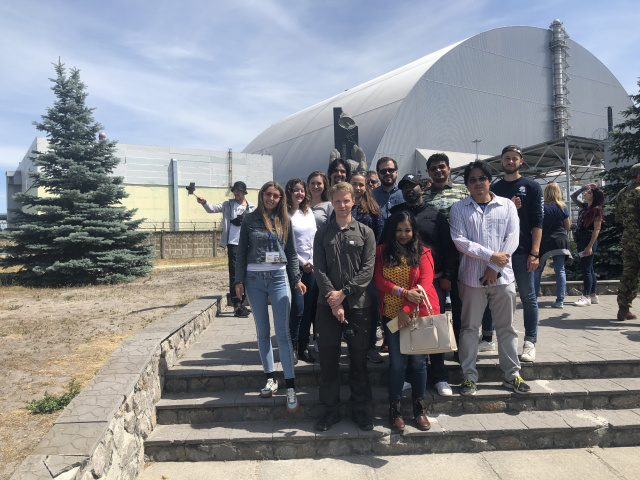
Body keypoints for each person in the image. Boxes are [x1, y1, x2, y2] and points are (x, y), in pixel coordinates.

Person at [450, 161, 531, 396]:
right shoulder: (459, 209)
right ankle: (468, 376)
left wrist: (494, 266)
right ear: (467, 184)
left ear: (490, 180)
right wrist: (491, 257)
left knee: (506, 328)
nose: (478, 183)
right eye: (472, 180)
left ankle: (512, 375)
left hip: (503, 279)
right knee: (469, 328)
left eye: (482, 178)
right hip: (471, 279)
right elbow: (460, 241)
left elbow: (512, 239)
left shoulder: (507, 206)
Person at [234, 181, 306, 413]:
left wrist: (296, 279)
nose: (271, 198)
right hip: (254, 280)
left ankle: (291, 386)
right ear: (261, 195)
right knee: (262, 331)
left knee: (283, 333)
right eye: (268, 194)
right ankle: (270, 378)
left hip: (278, 278)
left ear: (280, 198)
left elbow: (291, 253)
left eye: (276, 196)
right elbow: (241, 252)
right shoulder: (249, 219)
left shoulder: (285, 220)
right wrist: (238, 280)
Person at [314, 182, 376, 432]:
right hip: (327, 306)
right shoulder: (322, 233)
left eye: (346, 200)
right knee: (328, 361)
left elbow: (367, 269)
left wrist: (344, 294)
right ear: (332, 202)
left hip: (358, 306)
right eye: (337, 201)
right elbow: (319, 269)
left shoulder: (365, 232)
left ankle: (360, 410)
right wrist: (333, 300)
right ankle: (331, 411)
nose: (342, 205)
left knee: (358, 361)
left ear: (353, 201)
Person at [386, 173, 456, 397]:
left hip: (431, 282)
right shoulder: (395, 215)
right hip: (402, 285)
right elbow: (384, 247)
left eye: (413, 186)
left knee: (432, 328)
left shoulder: (435, 215)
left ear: (422, 188)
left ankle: (439, 376)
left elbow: (448, 247)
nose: (409, 190)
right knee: (407, 332)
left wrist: (448, 275)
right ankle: (409, 377)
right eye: (405, 187)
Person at [374, 210, 438, 432]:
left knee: (418, 363)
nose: (403, 234)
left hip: (417, 316)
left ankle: (419, 408)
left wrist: (406, 309)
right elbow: (378, 279)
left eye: (407, 230)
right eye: (399, 230)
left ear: (414, 231)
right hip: (391, 315)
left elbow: (424, 284)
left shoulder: (423, 252)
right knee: (397, 364)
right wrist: (402, 293)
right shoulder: (382, 251)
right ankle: (395, 408)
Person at [481, 145, 543, 363]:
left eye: (514, 158)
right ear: (501, 161)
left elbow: (538, 221)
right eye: (506, 158)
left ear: (521, 161)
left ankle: (530, 342)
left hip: (523, 251)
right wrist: (509, 209)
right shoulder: (495, 187)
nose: (510, 162)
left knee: (528, 296)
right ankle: (487, 338)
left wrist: (535, 253)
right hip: (498, 253)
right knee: (490, 294)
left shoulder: (532, 186)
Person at [422, 153, 468, 354]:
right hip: (434, 259)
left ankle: (460, 348)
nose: (438, 171)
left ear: (449, 169)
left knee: (460, 305)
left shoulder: (463, 191)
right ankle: (436, 348)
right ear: (428, 172)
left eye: (441, 167)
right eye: (433, 168)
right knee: (435, 306)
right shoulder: (424, 195)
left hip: (461, 256)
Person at [197, 181, 256, 317]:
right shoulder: (227, 205)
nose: (236, 193)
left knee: (247, 274)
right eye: (234, 190)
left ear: (244, 192)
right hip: (233, 244)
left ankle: (242, 302)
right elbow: (211, 209)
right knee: (235, 274)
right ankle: (236, 305)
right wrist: (204, 202)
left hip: (248, 244)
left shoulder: (252, 208)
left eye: (238, 191)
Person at [349, 171, 385, 363]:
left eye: (361, 184)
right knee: (350, 308)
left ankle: (370, 346)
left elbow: (380, 236)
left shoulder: (373, 209)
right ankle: (353, 347)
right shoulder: (343, 206)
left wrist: (370, 260)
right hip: (346, 267)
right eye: (354, 184)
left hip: (369, 266)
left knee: (371, 308)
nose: (358, 188)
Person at [285, 178, 317, 363]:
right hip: (295, 266)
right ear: (289, 192)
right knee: (298, 307)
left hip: (311, 267)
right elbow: (287, 244)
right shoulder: (285, 214)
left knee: (308, 308)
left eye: (302, 190)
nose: (300, 193)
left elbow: (314, 238)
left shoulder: (308, 211)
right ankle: (292, 346)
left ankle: (304, 346)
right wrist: (303, 261)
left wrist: (311, 261)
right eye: (296, 190)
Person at [534, 183, 572, 308]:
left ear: (545, 193)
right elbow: (567, 226)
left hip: (544, 241)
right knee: (560, 270)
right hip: (560, 241)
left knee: (538, 270)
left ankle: (533, 298)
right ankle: (560, 300)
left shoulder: (541, 207)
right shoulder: (562, 207)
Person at [570, 183, 604, 307]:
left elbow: (597, 229)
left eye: (589, 193)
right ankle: (593, 295)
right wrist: (585, 187)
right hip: (581, 239)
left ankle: (586, 296)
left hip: (588, 240)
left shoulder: (596, 210)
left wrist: (589, 246)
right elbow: (573, 196)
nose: (585, 193)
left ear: (594, 197)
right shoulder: (585, 207)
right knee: (589, 268)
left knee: (586, 269)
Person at [615, 163, 640, 321]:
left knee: (629, 273)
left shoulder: (622, 192)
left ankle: (623, 310)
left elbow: (618, 217)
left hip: (628, 237)